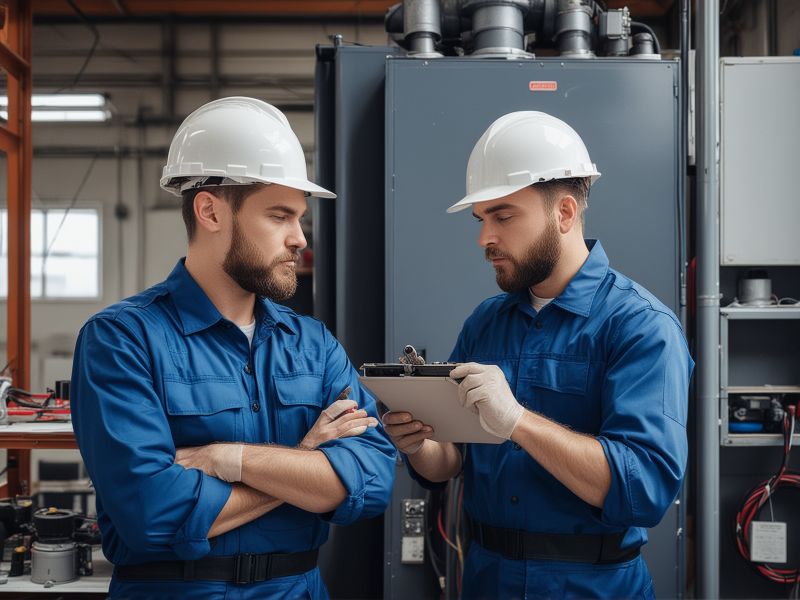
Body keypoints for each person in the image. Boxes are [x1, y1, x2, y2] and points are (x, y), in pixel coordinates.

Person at [71, 97, 395, 600]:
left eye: (299, 218)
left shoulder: (313, 344)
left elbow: (372, 480)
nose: (299, 239)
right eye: (280, 216)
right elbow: (152, 515)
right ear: (210, 211)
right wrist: (304, 458)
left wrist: (229, 458)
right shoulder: (122, 339)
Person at [383, 111, 693, 599]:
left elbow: (645, 490)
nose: (484, 238)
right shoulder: (485, 323)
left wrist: (517, 422)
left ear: (564, 213)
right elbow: (452, 458)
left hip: (593, 586)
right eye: (481, 219)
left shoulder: (641, 327)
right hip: (487, 579)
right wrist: (418, 445)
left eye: (503, 216)